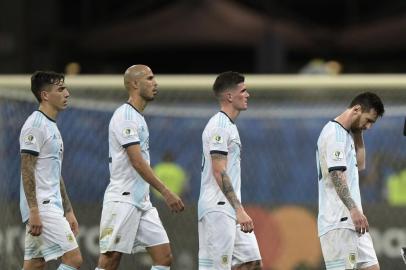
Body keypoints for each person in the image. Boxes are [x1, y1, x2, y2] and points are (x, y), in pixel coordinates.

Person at [95, 65, 184, 270]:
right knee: (110, 260)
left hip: (141, 201)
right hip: (123, 199)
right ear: (135, 84)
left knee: (164, 257)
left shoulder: (137, 117)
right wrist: (166, 191)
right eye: (150, 78)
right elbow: (136, 161)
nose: (155, 83)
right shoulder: (125, 116)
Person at [198, 71, 262, 270]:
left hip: (228, 208)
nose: (248, 94)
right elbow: (219, 172)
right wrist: (240, 210)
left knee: (251, 263)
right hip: (218, 208)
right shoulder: (219, 126)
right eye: (243, 90)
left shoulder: (229, 125)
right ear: (229, 96)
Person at [19, 71, 83, 270]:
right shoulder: (35, 125)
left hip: (50, 206)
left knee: (35, 265)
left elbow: (54, 173)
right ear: (45, 95)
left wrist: (69, 210)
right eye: (61, 89)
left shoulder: (50, 125)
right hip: (42, 207)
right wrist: (34, 211)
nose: (67, 93)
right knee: (74, 260)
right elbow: (26, 168)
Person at [316, 92, 385, 270]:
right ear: (357, 109)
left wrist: (358, 131)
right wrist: (354, 210)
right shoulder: (334, 134)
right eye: (368, 120)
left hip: (353, 222)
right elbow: (337, 175)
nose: (368, 127)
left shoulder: (346, 134)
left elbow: (360, 165)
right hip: (338, 221)